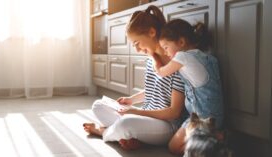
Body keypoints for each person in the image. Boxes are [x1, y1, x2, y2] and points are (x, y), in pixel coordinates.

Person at [83, 5, 188, 151]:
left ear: (152, 32)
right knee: (98, 105)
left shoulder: (176, 62)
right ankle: (134, 137)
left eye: (137, 43)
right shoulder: (150, 59)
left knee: (126, 123)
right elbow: (152, 90)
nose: (137, 50)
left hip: (167, 125)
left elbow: (174, 112)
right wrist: (131, 100)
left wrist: (135, 111)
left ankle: (103, 131)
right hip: (147, 116)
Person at [150, 19, 224, 153]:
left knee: (173, 147)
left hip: (201, 118)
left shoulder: (182, 57)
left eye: (166, 47)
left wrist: (154, 59)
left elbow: (161, 73)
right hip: (217, 116)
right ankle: (211, 138)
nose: (165, 53)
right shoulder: (208, 57)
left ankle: (211, 141)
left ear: (182, 42)